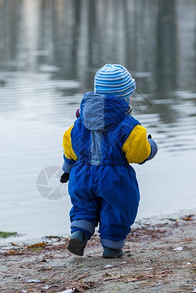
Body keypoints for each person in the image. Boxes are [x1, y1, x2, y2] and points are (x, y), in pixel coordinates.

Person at [60, 64, 157, 258]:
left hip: (82, 174)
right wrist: (151, 146)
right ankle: (112, 247)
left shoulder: (79, 122)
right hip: (114, 178)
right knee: (118, 208)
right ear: (126, 96)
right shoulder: (129, 126)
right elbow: (138, 154)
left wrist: (67, 169)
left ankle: (79, 233)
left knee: (83, 205)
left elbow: (69, 146)